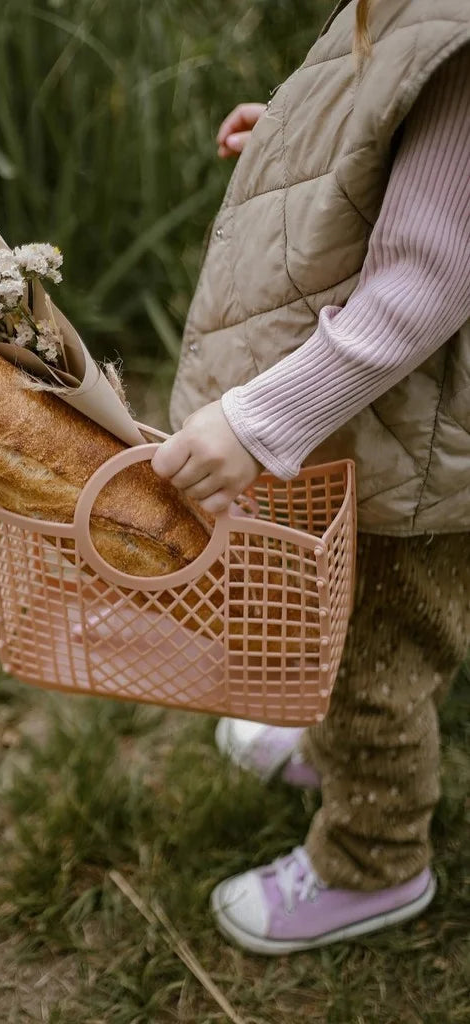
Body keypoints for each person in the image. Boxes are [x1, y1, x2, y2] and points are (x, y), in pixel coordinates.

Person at [151, 0, 470, 954]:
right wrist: (303, 151)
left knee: (379, 655)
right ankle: (329, 741)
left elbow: (426, 280)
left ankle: (373, 861)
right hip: (389, 424)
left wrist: (258, 423)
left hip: (416, 440)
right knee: (337, 610)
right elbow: (402, 150)